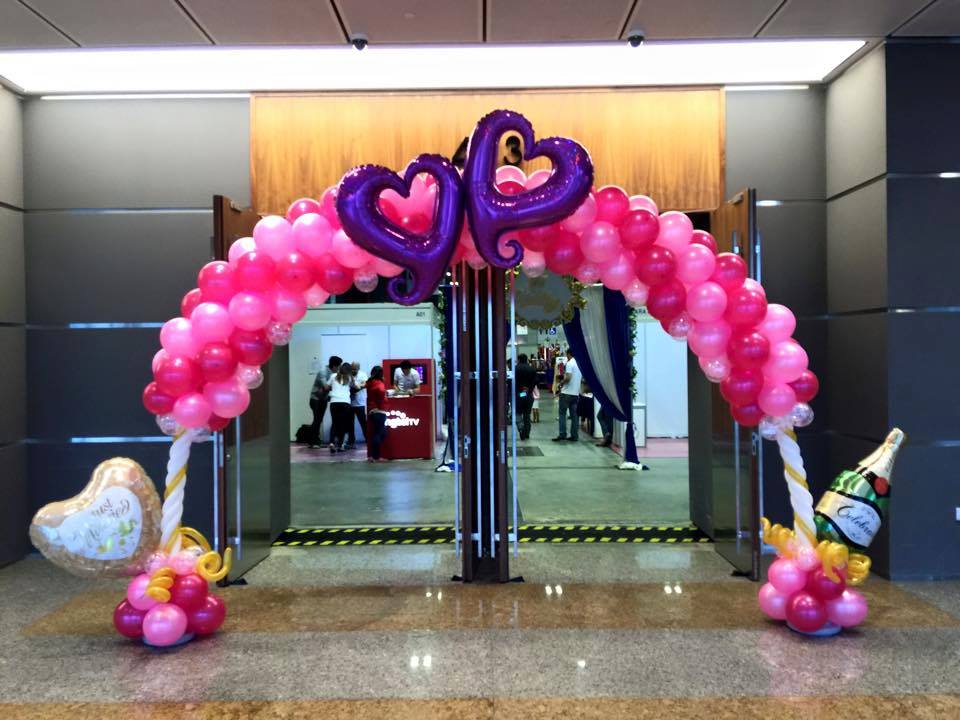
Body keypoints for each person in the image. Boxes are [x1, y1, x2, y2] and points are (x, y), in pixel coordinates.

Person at [309, 355, 341, 449]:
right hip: (315, 399)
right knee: (317, 420)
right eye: (338, 366)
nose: (339, 369)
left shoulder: (334, 374)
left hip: (323, 399)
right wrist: (337, 386)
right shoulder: (323, 372)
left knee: (319, 420)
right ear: (334, 366)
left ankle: (316, 440)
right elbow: (326, 387)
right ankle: (313, 441)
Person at [553, 348, 582, 442]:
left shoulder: (570, 363)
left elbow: (568, 377)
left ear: (569, 354)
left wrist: (561, 383)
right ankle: (574, 436)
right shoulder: (579, 364)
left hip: (566, 393)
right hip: (575, 393)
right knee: (574, 416)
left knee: (562, 414)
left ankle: (562, 434)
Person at [327, 363, 354, 453]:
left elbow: (326, 387)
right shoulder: (349, 378)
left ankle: (331, 443)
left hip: (334, 402)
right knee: (342, 424)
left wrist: (333, 388)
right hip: (345, 403)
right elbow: (356, 386)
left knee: (334, 423)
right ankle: (340, 445)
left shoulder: (333, 376)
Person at [366, 365, 390, 462]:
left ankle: (372, 456)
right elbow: (380, 391)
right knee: (380, 433)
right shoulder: (379, 383)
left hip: (372, 410)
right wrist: (384, 395)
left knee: (378, 433)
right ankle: (376, 457)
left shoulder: (370, 382)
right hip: (379, 410)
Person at [514, 353, 537, 441]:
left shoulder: (516, 369)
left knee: (518, 413)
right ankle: (527, 433)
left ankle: (521, 429)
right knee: (527, 414)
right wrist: (528, 389)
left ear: (519, 359)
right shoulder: (532, 369)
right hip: (529, 394)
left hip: (519, 394)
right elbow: (536, 381)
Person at [346, 361, 368, 450]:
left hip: (360, 403)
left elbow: (366, 384)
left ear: (358, 368)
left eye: (355, 369)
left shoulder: (363, 375)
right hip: (349, 403)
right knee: (349, 424)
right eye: (352, 369)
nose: (353, 370)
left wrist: (357, 388)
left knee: (364, 423)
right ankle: (351, 441)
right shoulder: (347, 375)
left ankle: (368, 439)